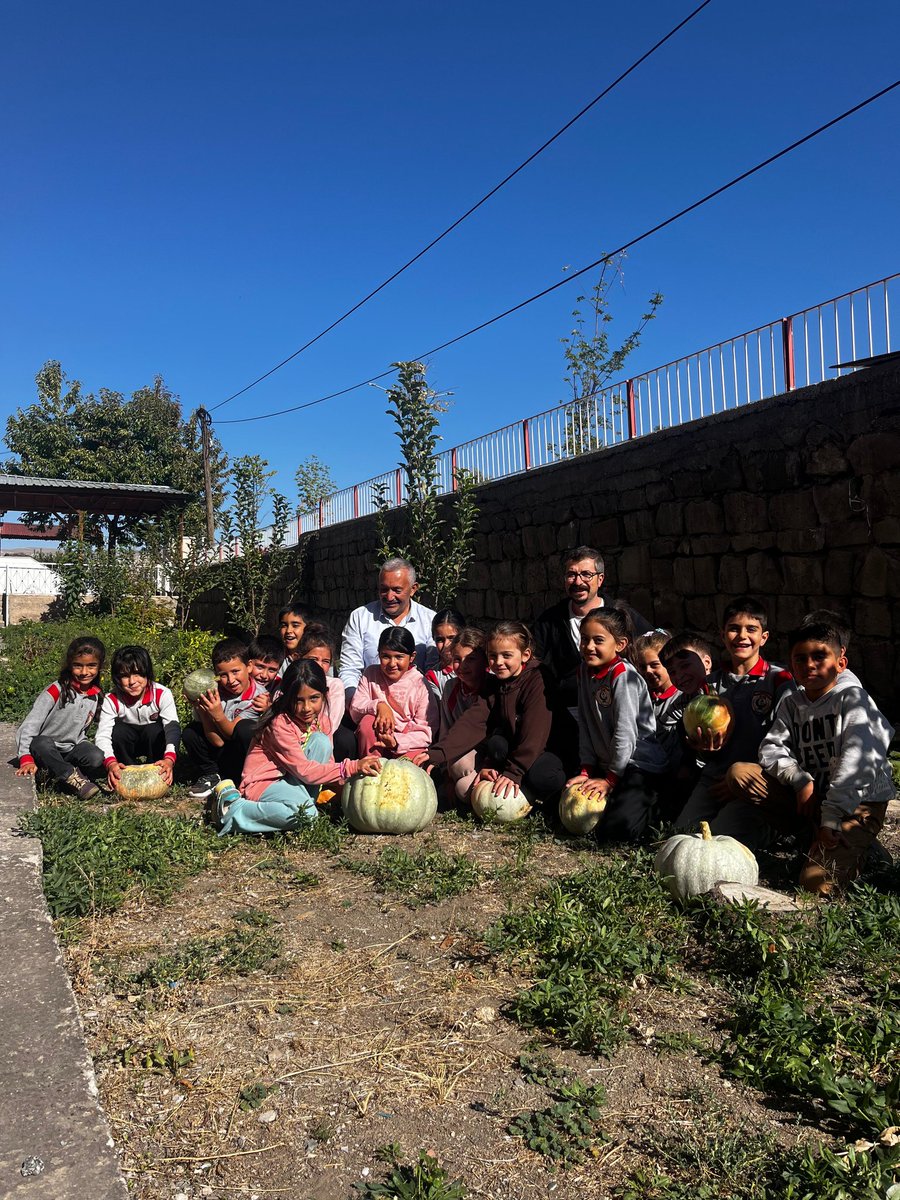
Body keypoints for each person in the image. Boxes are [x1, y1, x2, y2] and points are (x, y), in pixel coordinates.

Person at [736, 621, 894, 893]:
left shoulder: (852, 700)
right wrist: (799, 779)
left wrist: (832, 817)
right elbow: (771, 748)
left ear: (841, 663)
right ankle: (813, 835)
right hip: (815, 796)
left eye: (819, 656)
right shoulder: (792, 704)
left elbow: (856, 764)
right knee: (740, 773)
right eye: (800, 658)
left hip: (856, 802)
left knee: (816, 883)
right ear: (791, 665)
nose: (809, 664)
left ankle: (861, 850)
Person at [214, 660, 381, 836]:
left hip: (294, 780)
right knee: (306, 815)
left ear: (325, 694)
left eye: (314, 698)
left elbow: (327, 763)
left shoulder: (322, 721)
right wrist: (352, 767)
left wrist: (349, 789)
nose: (306, 708)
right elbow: (305, 771)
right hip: (265, 784)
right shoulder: (279, 724)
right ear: (286, 697)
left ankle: (299, 804)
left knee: (321, 741)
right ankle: (234, 811)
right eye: (298, 700)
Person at [673, 597, 794, 833]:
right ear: (722, 635)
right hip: (714, 780)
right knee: (683, 834)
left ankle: (770, 829)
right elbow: (703, 749)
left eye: (751, 629)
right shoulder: (709, 685)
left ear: (764, 637)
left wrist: (738, 783)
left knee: (720, 837)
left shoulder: (778, 680)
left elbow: (788, 739)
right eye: (734, 629)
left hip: (756, 779)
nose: (742, 636)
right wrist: (703, 749)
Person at [533, 546, 652, 774]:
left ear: (600, 579)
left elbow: (655, 643)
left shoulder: (620, 614)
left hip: (618, 715)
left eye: (586, 574)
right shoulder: (550, 621)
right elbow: (532, 661)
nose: (578, 582)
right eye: (571, 574)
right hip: (570, 716)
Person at [422, 620, 565, 806]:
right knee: (495, 747)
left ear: (525, 655)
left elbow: (535, 733)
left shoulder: (538, 679)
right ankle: (517, 790)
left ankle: (546, 797)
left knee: (542, 776)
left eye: (506, 655)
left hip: (548, 749)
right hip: (515, 749)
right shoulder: (496, 683)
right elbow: (475, 720)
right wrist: (438, 753)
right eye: (493, 656)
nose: (498, 662)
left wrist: (514, 772)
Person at [567, 608, 669, 842]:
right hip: (611, 764)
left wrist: (610, 780)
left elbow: (626, 733)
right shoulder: (583, 671)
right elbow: (586, 723)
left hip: (638, 765)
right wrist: (586, 769)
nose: (589, 646)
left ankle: (659, 801)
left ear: (620, 644)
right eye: (584, 639)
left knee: (616, 832)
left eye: (598, 640)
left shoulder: (623, 676)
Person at [15, 635, 107, 799]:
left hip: (71, 749)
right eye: (78, 666)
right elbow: (30, 724)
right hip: (45, 750)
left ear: (100, 666)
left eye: (91, 666)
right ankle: (71, 777)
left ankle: (61, 773)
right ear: (69, 665)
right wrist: (26, 757)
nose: (84, 672)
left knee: (96, 756)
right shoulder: (56, 690)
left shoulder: (96, 696)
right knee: (42, 743)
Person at [339, 558, 437, 698]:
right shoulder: (360, 618)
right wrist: (355, 702)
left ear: (413, 589)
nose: (390, 597)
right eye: (384, 590)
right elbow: (350, 669)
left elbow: (433, 671)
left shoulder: (429, 620)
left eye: (397, 590)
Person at [182, 638, 266, 798]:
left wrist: (218, 714)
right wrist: (202, 711)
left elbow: (231, 734)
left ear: (249, 666)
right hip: (220, 747)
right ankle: (212, 775)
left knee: (245, 728)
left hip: (243, 755)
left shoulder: (258, 697)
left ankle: (247, 778)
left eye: (235, 671)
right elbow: (218, 742)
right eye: (223, 675)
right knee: (190, 732)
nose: (231, 680)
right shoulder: (213, 692)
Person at [348, 626, 438, 759]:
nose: (392, 663)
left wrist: (397, 741)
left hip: (406, 743)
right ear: (379, 654)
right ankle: (370, 766)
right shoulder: (371, 674)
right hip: (376, 739)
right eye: (386, 656)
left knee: (414, 761)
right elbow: (355, 708)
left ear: (412, 657)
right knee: (367, 722)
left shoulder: (420, 684)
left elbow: (427, 730)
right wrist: (379, 706)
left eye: (399, 657)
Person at [425, 608, 466, 704]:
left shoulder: (478, 666)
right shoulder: (433, 677)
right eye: (440, 640)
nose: (446, 644)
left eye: (452, 638)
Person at [247, 634, 284, 714]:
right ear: (249, 663)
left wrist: (269, 708)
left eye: (272, 670)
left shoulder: (279, 686)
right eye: (260, 667)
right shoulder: (238, 681)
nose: (264, 675)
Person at [279, 602, 311, 671]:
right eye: (284, 625)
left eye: (295, 626)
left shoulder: (318, 656)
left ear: (308, 627)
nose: (288, 631)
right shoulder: (276, 657)